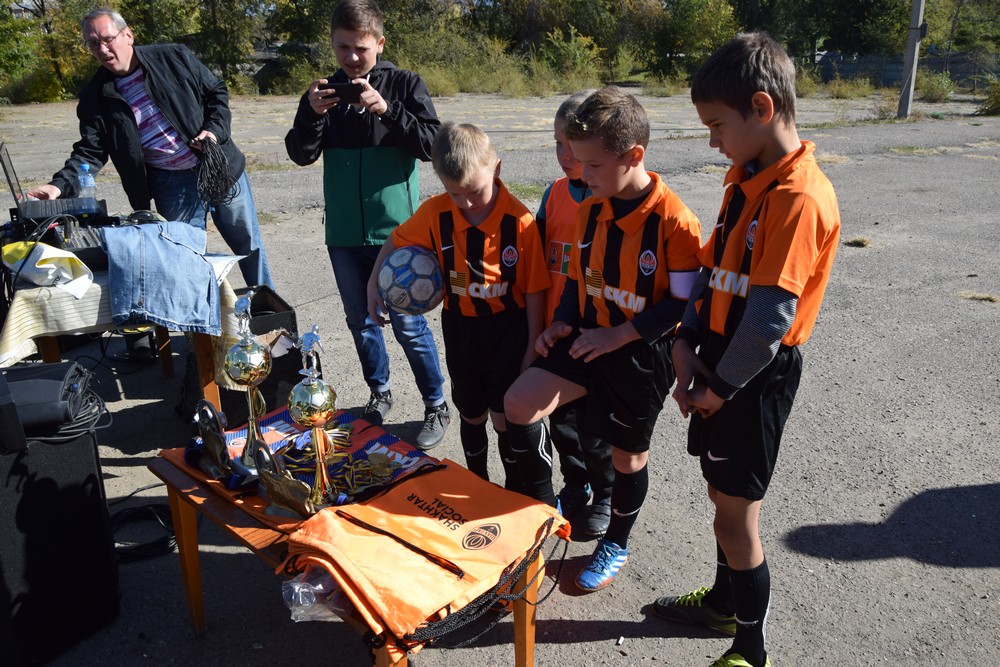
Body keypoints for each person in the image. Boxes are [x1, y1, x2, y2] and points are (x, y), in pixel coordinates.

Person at [651, 33, 841, 667]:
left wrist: (718, 388)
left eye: (716, 126)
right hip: (717, 359)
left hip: (751, 376)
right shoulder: (746, 178)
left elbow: (767, 323)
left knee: (736, 519)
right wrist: (684, 341)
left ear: (762, 108)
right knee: (722, 499)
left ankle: (749, 649)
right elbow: (711, 270)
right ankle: (723, 604)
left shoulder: (797, 197)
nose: (712, 142)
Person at [503, 86, 703, 592]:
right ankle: (543, 512)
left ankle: (616, 541)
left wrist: (621, 334)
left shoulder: (676, 222)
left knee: (625, 457)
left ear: (633, 156)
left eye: (592, 164)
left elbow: (683, 305)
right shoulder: (591, 207)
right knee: (518, 403)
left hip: (639, 352)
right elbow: (576, 279)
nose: (581, 172)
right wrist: (561, 321)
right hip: (588, 337)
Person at [285, 0, 450, 449]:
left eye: (361, 47)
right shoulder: (323, 93)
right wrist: (311, 114)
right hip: (343, 234)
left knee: (408, 325)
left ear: (380, 43)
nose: (352, 57)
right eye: (343, 47)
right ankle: (380, 394)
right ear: (333, 44)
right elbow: (301, 154)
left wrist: (387, 110)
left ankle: (436, 404)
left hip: (399, 234)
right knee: (360, 322)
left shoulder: (405, 85)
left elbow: (432, 146)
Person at [27, 8, 273, 291]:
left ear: (128, 35)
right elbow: (89, 151)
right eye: (93, 43)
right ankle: (205, 319)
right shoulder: (94, 97)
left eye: (108, 39)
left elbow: (216, 92)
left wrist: (214, 131)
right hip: (171, 184)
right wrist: (58, 186)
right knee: (186, 259)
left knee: (248, 245)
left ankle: (269, 309)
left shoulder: (173, 57)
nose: (102, 49)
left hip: (219, 166)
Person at [367, 123, 549, 490]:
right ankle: (477, 482)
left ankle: (513, 489)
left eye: (474, 191)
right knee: (471, 411)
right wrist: (374, 282)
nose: (465, 203)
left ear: (496, 169)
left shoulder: (520, 222)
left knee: (503, 415)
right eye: (455, 194)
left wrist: (533, 345)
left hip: (507, 329)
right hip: (461, 326)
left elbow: (535, 291)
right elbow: (396, 241)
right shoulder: (435, 213)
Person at [535, 91, 614, 539]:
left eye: (572, 145)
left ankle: (606, 494)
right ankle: (576, 483)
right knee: (561, 421)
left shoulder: (610, 198)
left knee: (596, 426)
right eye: (557, 144)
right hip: (556, 328)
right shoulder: (554, 194)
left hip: (597, 335)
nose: (565, 155)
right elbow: (533, 252)